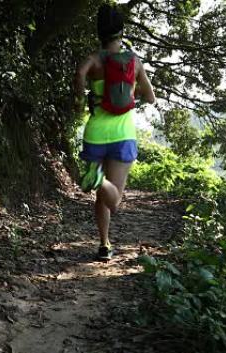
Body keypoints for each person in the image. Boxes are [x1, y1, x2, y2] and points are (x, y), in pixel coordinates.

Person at [73, 3, 156, 260]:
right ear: (121, 30)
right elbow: (151, 98)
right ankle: (97, 180)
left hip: (96, 132)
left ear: (99, 32)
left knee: (102, 195)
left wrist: (80, 97)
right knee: (114, 198)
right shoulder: (134, 61)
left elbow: (79, 73)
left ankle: (104, 244)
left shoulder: (94, 59)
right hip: (123, 135)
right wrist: (131, 97)